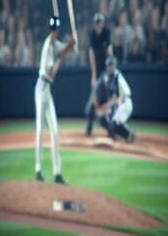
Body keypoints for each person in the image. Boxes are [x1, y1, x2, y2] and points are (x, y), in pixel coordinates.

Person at [34, 15, 77, 184]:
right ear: (51, 30)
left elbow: (65, 50)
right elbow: (51, 72)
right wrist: (62, 56)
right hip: (40, 88)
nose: (55, 32)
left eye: (56, 30)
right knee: (39, 129)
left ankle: (57, 173)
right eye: (53, 30)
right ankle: (38, 169)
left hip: (47, 90)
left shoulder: (54, 43)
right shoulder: (47, 47)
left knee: (55, 131)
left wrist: (72, 43)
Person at [94, 56, 136, 143]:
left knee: (116, 122)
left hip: (125, 103)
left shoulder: (117, 76)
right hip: (121, 103)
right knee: (113, 123)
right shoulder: (111, 76)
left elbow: (121, 95)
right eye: (108, 65)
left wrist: (108, 105)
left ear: (114, 66)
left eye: (111, 65)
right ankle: (117, 135)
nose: (109, 67)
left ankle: (129, 134)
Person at [84, 12, 112, 136]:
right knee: (94, 99)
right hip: (98, 72)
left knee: (107, 100)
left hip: (106, 72)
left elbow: (109, 52)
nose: (99, 25)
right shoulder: (92, 35)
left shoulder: (106, 32)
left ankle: (111, 128)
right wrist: (94, 74)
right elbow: (91, 54)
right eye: (97, 23)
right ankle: (89, 128)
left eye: (100, 22)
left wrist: (109, 74)